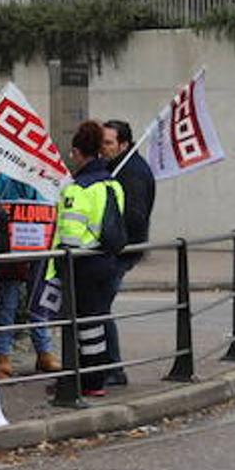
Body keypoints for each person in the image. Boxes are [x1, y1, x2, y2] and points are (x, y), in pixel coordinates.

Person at [52, 120, 126, 398]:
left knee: (83, 325)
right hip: (107, 260)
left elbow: (70, 234)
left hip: (82, 264)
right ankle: (96, 378)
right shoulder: (112, 184)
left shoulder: (77, 189)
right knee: (96, 322)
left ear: (76, 152)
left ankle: (86, 381)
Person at [0, 155, 62, 378]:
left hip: (37, 247)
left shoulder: (42, 180)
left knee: (37, 301)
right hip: (13, 250)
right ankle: (3, 357)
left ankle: (43, 352)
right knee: (9, 303)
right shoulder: (2, 179)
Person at [101, 119, 156, 387]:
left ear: (124, 144)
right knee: (99, 306)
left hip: (120, 252)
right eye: (102, 142)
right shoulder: (119, 166)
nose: (103, 148)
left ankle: (113, 368)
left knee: (99, 306)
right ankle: (107, 367)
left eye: (109, 143)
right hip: (119, 251)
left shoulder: (131, 172)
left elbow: (134, 216)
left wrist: (110, 235)